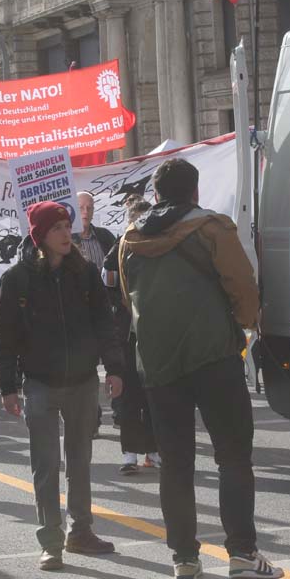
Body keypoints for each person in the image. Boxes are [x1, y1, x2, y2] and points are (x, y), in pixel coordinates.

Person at [119, 158, 284, 579]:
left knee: (175, 464)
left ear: (155, 194)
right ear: (194, 192)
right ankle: (243, 555)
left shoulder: (129, 239)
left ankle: (184, 559)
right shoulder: (213, 227)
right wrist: (246, 325)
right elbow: (242, 284)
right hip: (213, 356)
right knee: (232, 456)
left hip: (158, 364)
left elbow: (128, 300)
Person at [0, 201, 124, 572]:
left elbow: (105, 323)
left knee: (80, 461)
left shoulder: (84, 274)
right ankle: (51, 542)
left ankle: (80, 531)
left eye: (68, 226)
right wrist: (7, 386)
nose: (67, 234)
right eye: (57, 228)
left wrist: (114, 368)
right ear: (40, 236)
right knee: (46, 465)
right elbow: (5, 338)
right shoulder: (18, 279)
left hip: (83, 382)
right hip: (40, 384)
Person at [104, 199, 159, 475]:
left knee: (153, 393)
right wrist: (122, 302)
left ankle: (153, 450)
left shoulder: (157, 244)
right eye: (135, 220)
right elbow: (108, 281)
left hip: (153, 330)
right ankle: (129, 454)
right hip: (127, 331)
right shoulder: (119, 246)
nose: (139, 225)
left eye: (144, 219)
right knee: (128, 395)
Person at [73, 190, 116, 437]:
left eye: (89, 207)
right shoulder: (66, 238)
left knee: (113, 361)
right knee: (87, 367)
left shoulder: (105, 237)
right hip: (79, 314)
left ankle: (120, 410)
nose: (86, 212)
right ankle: (92, 416)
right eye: (81, 208)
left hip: (105, 311)